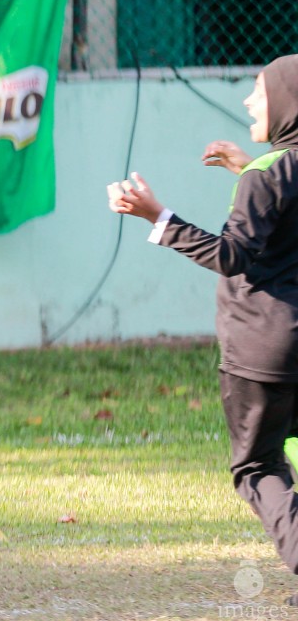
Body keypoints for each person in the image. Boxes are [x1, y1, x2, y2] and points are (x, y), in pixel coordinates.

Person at [109, 57, 298, 592]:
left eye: (259, 92)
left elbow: (234, 256)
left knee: (258, 467)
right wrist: (248, 169)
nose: (248, 102)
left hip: (262, 349)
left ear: (287, 103)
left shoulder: (267, 176)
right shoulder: (269, 173)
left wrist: (158, 217)